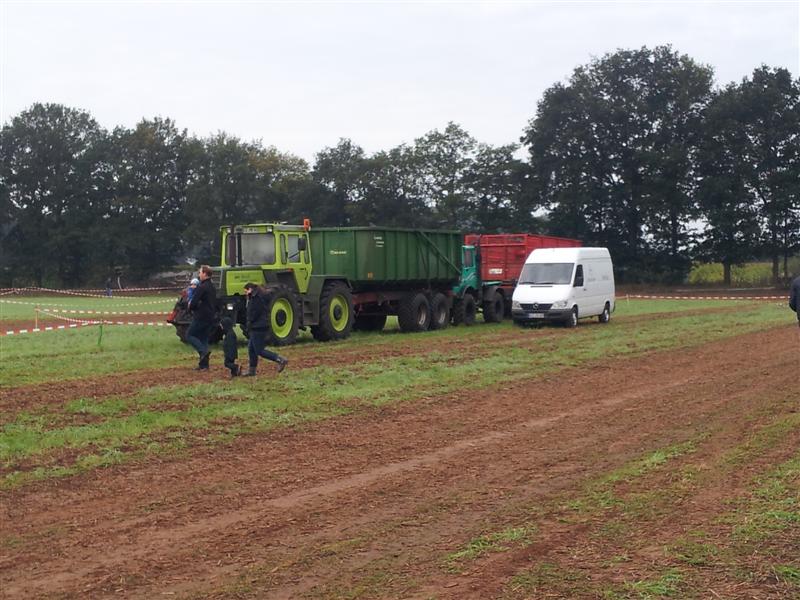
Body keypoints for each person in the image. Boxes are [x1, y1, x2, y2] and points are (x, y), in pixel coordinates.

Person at [243, 282, 289, 376]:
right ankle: (252, 370)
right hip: (260, 325)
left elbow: (254, 312)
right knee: (251, 349)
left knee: (259, 350)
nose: (245, 293)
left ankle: (280, 359)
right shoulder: (260, 296)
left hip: (258, 326)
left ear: (250, 289)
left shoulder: (256, 298)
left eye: (246, 291)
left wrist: (250, 322)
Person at [186, 265, 217, 370]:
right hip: (211, 316)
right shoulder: (212, 286)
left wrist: (190, 307)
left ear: (204, 273)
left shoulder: (202, 287)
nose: (199, 275)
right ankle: (204, 365)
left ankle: (203, 352)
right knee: (203, 339)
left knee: (189, 335)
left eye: (200, 272)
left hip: (201, 316)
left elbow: (194, 301)